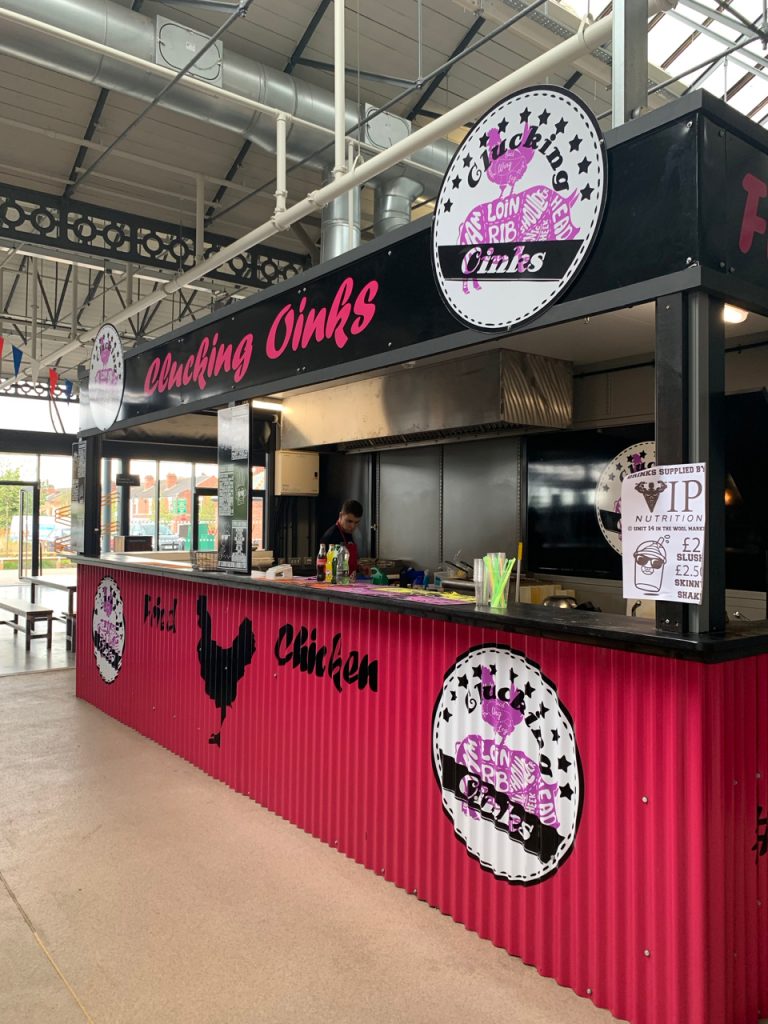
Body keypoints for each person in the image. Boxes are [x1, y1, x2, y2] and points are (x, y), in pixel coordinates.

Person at [320, 499, 362, 576]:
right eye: (349, 521)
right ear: (340, 515)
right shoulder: (331, 536)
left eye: (356, 522)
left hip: (351, 579)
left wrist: (359, 568)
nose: (353, 526)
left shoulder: (348, 533)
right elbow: (327, 568)